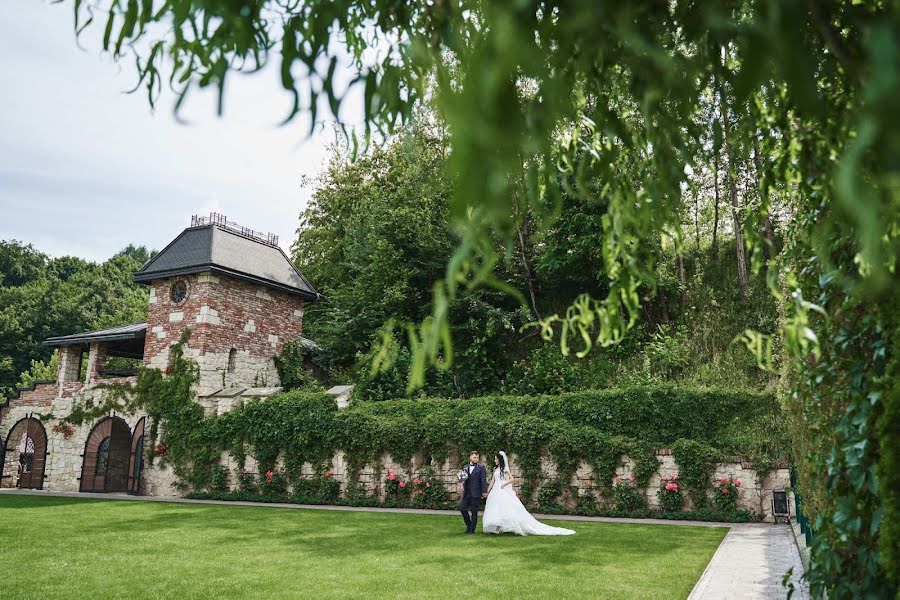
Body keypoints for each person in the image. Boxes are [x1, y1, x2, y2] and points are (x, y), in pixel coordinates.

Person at [482, 451, 575, 536]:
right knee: (495, 509)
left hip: (502, 489)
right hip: (496, 491)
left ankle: (508, 527)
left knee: (507, 508)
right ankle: (496, 529)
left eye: (496, 459)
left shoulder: (505, 469)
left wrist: (504, 484)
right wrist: (488, 491)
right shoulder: (495, 469)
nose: (495, 460)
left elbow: (511, 479)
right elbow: (492, 481)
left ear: (499, 460)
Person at [459, 451, 488, 534]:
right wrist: (461, 484)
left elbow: (483, 480)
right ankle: (469, 525)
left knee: (474, 512)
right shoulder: (465, 467)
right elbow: (462, 479)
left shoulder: (481, 468)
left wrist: (484, 491)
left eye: (477, 457)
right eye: (475, 457)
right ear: (470, 458)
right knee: (462, 508)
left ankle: (472, 530)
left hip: (476, 493)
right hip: (466, 493)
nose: (476, 459)